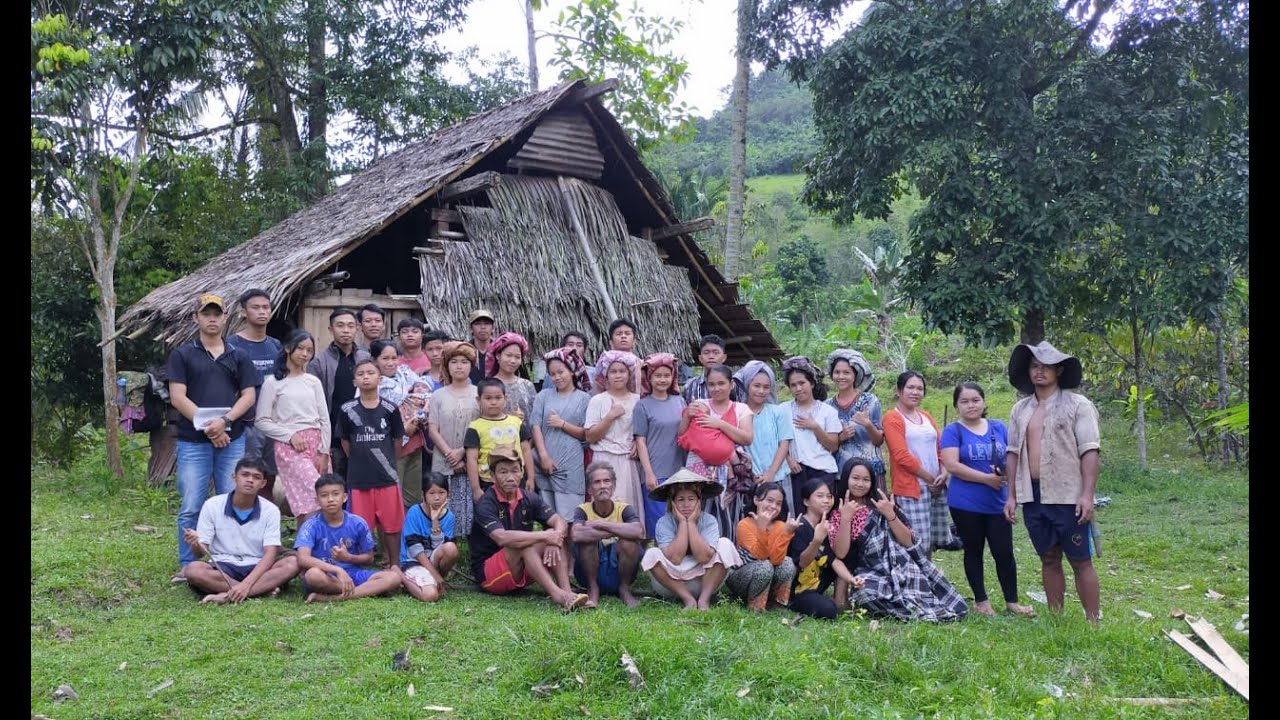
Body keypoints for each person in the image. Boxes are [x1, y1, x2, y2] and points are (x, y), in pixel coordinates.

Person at [1004, 341, 1102, 624]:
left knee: (1080, 559)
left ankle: (1093, 621)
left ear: (1058, 370)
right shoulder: (1020, 409)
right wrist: (1011, 496)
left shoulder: (1077, 405)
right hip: (1033, 496)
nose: (1039, 372)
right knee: (1048, 557)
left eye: (1046, 366)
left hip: (1067, 493)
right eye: (1034, 366)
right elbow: (1012, 453)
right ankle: (1056, 619)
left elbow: (1090, 450)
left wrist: (1087, 494)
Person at [167, 293, 261, 583]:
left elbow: (249, 395)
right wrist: (209, 427)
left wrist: (225, 422)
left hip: (231, 440)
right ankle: (187, 564)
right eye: (206, 313)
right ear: (196, 318)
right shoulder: (183, 354)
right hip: (193, 442)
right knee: (192, 504)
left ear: (225, 319)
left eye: (217, 314)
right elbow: (177, 396)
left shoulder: (238, 355)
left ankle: (226, 559)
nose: (212, 318)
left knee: (230, 500)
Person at [831, 457, 967, 622]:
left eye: (866, 479)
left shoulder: (883, 504)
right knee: (866, 595)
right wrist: (846, 518)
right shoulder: (839, 510)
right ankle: (905, 609)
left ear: (872, 482)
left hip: (902, 565)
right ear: (846, 479)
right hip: (871, 570)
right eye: (855, 478)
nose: (860, 484)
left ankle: (914, 607)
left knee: (917, 591)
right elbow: (840, 552)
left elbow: (907, 541)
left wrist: (890, 515)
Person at [942, 382, 1035, 618]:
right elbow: (952, 465)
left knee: (1004, 552)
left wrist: (1003, 473)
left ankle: (1012, 601)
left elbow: (1012, 459)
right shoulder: (954, 431)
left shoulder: (998, 427)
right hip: (965, 503)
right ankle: (981, 601)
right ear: (956, 406)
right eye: (964, 401)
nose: (971, 405)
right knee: (974, 551)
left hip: (998, 502)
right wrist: (986, 479)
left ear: (983, 402)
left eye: (975, 400)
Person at [469, 444, 589, 610]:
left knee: (553, 534)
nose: (510, 477)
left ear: (522, 473)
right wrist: (545, 536)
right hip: (490, 574)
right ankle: (557, 595)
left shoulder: (529, 497)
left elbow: (559, 521)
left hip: (522, 567)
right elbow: (501, 537)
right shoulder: (486, 503)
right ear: (493, 476)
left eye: (515, 470)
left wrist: (554, 538)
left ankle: (568, 593)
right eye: (503, 472)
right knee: (527, 543)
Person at [181, 458, 299, 603]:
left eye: (256, 477)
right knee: (193, 570)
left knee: (293, 563)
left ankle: (227, 596)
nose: (250, 480)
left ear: (263, 484)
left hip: (257, 566)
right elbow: (200, 552)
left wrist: (247, 584)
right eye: (245, 475)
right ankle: (259, 591)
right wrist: (195, 543)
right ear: (234, 477)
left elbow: (270, 554)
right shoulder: (212, 505)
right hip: (223, 565)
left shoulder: (271, 510)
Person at [335, 358, 408, 568]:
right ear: (354, 381)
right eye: (361, 374)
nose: (366, 377)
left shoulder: (390, 409)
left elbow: (396, 441)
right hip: (358, 479)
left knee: (392, 526)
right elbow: (346, 442)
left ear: (380, 378)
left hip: (386, 477)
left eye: (370, 373)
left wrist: (386, 463)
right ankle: (361, 567)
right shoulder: (347, 409)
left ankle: (395, 565)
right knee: (360, 526)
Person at [254, 330, 330, 529]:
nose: (305, 354)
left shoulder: (313, 381)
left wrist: (325, 450)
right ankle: (308, 546)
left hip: (317, 441)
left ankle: (310, 544)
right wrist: (289, 436)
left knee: (319, 497)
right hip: (291, 446)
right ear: (288, 349)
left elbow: (324, 418)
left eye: (310, 350)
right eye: (301, 349)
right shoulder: (273, 383)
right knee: (315, 490)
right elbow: (261, 420)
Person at [640, 469, 742, 610]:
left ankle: (703, 600)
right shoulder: (664, 522)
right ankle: (688, 599)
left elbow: (704, 557)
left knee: (725, 544)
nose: (686, 504)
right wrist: (683, 523)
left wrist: (692, 523)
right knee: (651, 553)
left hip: (703, 580)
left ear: (699, 501)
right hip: (673, 583)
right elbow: (675, 558)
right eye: (681, 499)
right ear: (673, 503)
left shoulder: (709, 520)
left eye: (691, 499)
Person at [295, 475, 404, 602]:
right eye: (324, 495)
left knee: (394, 578)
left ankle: (332, 597)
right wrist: (338, 570)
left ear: (344, 497)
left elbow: (369, 558)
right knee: (312, 575)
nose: (330, 499)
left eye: (335, 494)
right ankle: (365, 590)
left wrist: (348, 558)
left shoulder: (358, 523)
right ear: (317, 501)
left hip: (353, 574)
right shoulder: (310, 525)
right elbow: (303, 559)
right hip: (326, 574)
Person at [678, 364, 754, 541]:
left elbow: (746, 438)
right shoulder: (699, 405)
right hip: (697, 467)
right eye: (711, 384)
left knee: (727, 514)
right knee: (699, 509)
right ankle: (699, 556)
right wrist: (687, 416)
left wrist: (719, 424)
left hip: (729, 471)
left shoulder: (741, 409)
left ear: (731, 384)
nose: (716, 388)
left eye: (721, 383)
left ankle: (726, 558)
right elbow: (681, 436)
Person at [883, 371, 953, 558]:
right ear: (899, 390)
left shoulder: (926, 416)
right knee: (914, 543)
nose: (915, 392)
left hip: (936, 486)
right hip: (912, 489)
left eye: (920, 388)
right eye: (910, 387)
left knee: (929, 541)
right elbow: (901, 456)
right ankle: (914, 584)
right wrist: (931, 479)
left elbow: (941, 447)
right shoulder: (892, 418)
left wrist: (944, 474)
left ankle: (928, 582)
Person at [227, 289, 284, 496]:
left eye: (266, 307)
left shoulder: (275, 345)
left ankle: (264, 520)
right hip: (246, 424)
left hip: (273, 422)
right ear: (244, 312)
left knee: (269, 476)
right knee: (247, 475)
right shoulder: (232, 345)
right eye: (255, 307)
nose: (262, 312)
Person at [585, 351, 646, 533]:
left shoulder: (638, 401)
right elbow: (590, 436)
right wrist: (610, 417)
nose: (618, 375)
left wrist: (637, 441)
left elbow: (643, 431)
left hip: (628, 461)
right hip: (603, 459)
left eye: (622, 371)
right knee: (603, 504)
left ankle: (630, 553)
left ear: (629, 374)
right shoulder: (597, 401)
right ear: (606, 375)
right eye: (613, 371)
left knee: (627, 508)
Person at [307, 307, 371, 479]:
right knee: (336, 481)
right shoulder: (319, 362)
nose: (346, 330)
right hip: (334, 432)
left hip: (363, 430)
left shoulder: (365, 358)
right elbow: (312, 402)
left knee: (362, 480)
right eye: (340, 325)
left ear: (357, 329)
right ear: (330, 329)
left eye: (350, 326)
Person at [530, 348, 592, 520]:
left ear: (572, 371)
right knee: (549, 518)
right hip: (544, 464)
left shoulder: (584, 399)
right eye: (552, 374)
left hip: (571, 465)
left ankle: (570, 547)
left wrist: (563, 424)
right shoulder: (543, 396)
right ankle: (554, 547)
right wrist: (543, 456)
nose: (557, 377)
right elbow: (535, 426)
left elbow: (586, 434)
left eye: (561, 372)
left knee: (571, 518)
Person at [571, 462, 643, 608]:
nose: (602, 486)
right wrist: (616, 530)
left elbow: (638, 531)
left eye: (607, 481)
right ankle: (593, 589)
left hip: (619, 569)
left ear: (613, 486)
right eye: (597, 482)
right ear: (590, 489)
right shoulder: (582, 510)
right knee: (587, 540)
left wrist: (599, 524)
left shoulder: (624, 508)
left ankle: (624, 589)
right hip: (590, 571)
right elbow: (577, 534)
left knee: (629, 542)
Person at [427, 341, 480, 535]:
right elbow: (433, 429)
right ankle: (443, 546)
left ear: (471, 365)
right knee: (442, 503)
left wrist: (462, 452)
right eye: (454, 361)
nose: (459, 366)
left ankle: (467, 553)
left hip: (471, 459)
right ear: (447, 365)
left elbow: (481, 427)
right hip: (443, 459)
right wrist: (450, 454)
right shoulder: (438, 395)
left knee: (468, 505)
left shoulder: (478, 394)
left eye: (464, 361)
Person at [369, 339, 429, 508]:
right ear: (374, 360)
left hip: (414, 442)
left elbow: (425, 395)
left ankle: (410, 533)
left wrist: (415, 419)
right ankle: (393, 534)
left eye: (394, 358)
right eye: (385, 358)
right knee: (392, 496)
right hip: (390, 446)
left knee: (413, 497)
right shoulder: (371, 383)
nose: (391, 363)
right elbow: (370, 417)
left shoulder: (406, 374)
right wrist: (402, 430)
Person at [634, 352, 688, 539]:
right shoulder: (642, 405)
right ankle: (660, 563)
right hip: (656, 472)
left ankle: (679, 562)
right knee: (659, 522)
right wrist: (648, 472)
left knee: (679, 519)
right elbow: (640, 440)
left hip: (678, 470)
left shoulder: (680, 401)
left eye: (667, 375)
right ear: (649, 377)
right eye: (658, 375)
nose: (662, 379)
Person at [726, 482, 798, 611]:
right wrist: (761, 528)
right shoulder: (744, 524)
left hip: (766, 574)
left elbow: (777, 560)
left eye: (778, 503)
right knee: (764, 566)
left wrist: (786, 533)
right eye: (769, 500)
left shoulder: (780, 526)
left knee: (787, 563)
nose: (773, 506)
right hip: (741, 576)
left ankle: (778, 605)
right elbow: (760, 555)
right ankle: (756, 606)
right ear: (756, 500)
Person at [735, 361, 795, 511]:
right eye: (756, 386)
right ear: (747, 385)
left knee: (779, 525)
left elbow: (784, 443)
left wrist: (771, 473)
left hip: (777, 477)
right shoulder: (737, 412)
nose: (761, 391)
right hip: (748, 480)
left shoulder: (777, 412)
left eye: (766, 387)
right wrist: (750, 474)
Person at [779, 357, 841, 495]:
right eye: (793, 385)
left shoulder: (828, 411)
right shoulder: (782, 410)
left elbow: (833, 446)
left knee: (821, 513)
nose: (798, 388)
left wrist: (815, 427)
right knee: (799, 514)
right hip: (795, 471)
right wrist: (788, 458)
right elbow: (776, 440)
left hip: (823, 472)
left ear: (812, 383)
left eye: (802, 383)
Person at [465, 378, 535, 499]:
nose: (493, 402)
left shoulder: (516, 423)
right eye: (488, 398)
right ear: (478, 400)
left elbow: (526, 450)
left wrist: (531, 478)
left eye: (498, 398)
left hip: (517, 480)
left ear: (505, 398)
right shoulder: (475, 427)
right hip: (489, 482)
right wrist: (476, 488)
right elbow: (472, 459)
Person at [399, 475, 460, 602]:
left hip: (432, 561)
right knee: (430, 596)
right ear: (423, 495)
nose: (437, 498)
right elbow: (416, 551)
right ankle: (401, 577)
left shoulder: (449, 516)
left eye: (441, 493)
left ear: (448, 494)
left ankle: (436, 581)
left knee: (451, 548)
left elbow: (440, 547)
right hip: (414, 562)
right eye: (431, 493)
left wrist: (435, 521)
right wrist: (435, 575)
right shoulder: (414, 512)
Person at [825, 349, 885, 477]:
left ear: (855, 375)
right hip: (842, 472)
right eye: (837, 372)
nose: (841, 376)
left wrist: (868, 424)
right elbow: (826, 445)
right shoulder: (827, 406)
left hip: (871, 471)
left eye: (846, 372)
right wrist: (840, 438)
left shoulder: (870, 401)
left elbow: (879, 441)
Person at [787, 477, 839, 619]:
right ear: (806, 501)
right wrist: (817, 540)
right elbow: (802, 563)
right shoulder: (799, 526)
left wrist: (852, 580)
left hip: (815, 585)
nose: (826, 500)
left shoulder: (825, 525)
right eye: (820, 496)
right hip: (798, 590)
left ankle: (836, 599)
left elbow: (833, 559)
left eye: (829, 496)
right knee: (829, 611)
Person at [486, 331, 537, 420]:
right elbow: (483, 417)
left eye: (517, 357)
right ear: (498, 356)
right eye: (509, 355)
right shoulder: (488, 385)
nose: (513, 361)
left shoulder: (527, 385)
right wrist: (509, 418)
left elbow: (536, 417)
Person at [682, 334, 745, 404]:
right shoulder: (690, 386)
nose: (711, 356)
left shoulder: (735, 385)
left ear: (724, 358)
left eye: (716, 353)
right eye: (706, 353)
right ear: (700, 358)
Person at [592, 320, 643, 393]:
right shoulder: (605, 361)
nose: (623, 336)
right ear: (611, 342)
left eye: (627, 333)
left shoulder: (640, 363)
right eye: (618, 334)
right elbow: (598, 386)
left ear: (634, 342)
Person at [466, 308, 496, 384]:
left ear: (493, 328)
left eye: (487, 323)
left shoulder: (500, 351)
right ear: (471, 329)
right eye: (477, 324)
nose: (483, 327)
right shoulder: (464, 351)